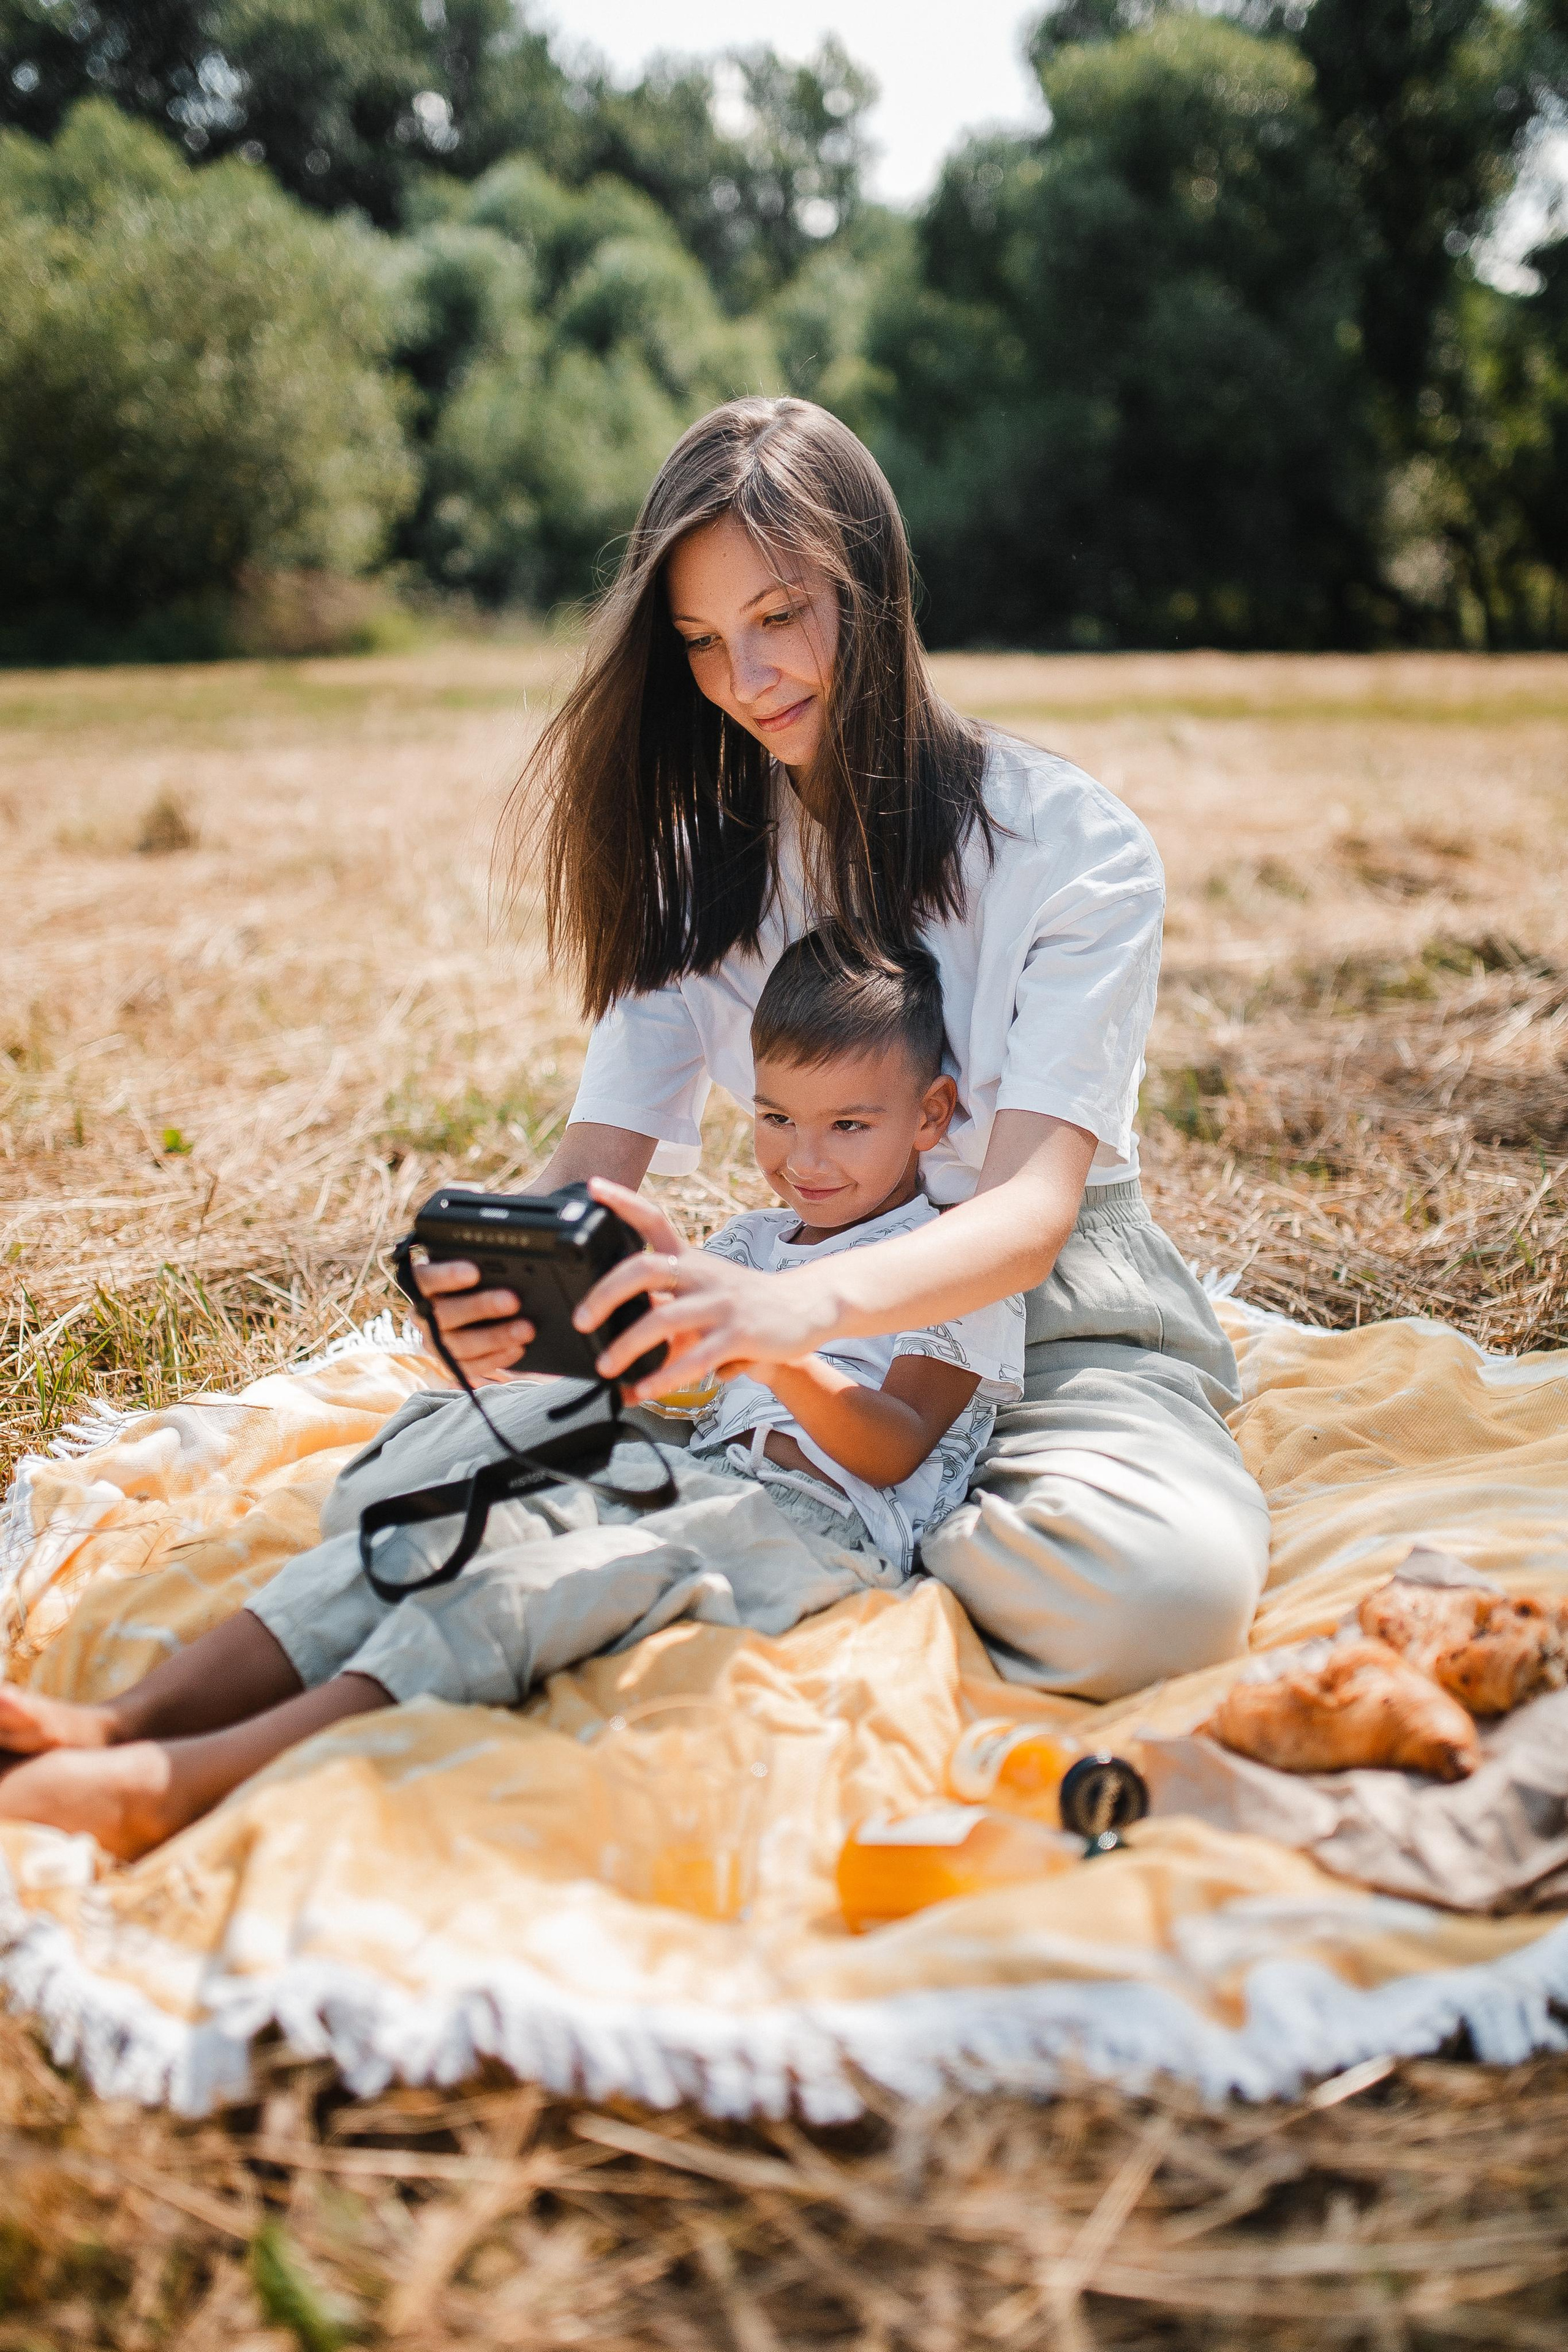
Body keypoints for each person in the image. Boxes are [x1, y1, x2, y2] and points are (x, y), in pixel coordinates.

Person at [0, 937, 1022, 1860]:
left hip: (813, 1533)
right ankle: (123, 1722)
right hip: (685, 1471)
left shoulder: (951, 1262)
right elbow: (674, 1379)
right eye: (775, 1117)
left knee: (509, 1595)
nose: (804, 1158)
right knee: (429, 1533)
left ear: (931, 1113)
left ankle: (176, 1784)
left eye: (849, 1124)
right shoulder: (755, 1243)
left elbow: (892, 1449)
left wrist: (771, 1348)